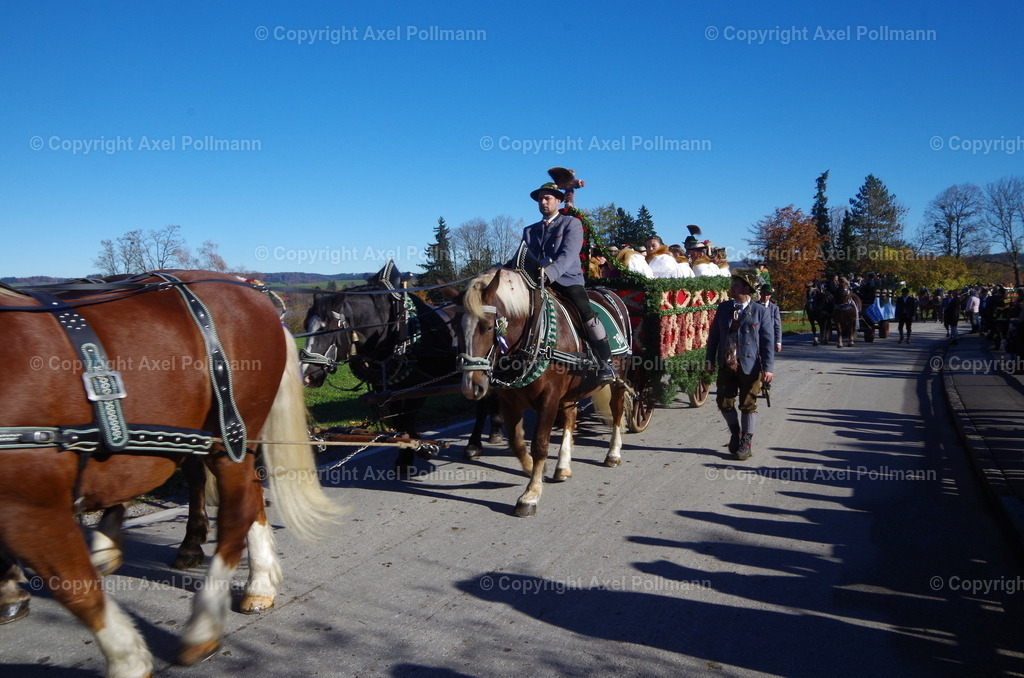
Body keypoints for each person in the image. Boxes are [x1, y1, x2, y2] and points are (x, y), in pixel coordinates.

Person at [519, 181, 616, 382]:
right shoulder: (530, 230)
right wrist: (500, 270)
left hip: (566, 279)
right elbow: (521, 256)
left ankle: (606, 362)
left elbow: (568, 255)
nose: (543, 202)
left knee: (584, 309)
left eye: (547, 198)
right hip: (536, 281)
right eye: (540, 199)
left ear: (558, 201)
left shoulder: (571, 223)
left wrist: (548, 273)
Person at [705, 268, 775, 461]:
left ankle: (746, 442)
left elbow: (768, 342)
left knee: (748, 405)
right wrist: (709, 359)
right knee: (724, 403)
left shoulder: (760, 311)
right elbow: (714, 337)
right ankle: (735, 432)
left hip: (750, 366)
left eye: (735, 285)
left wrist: (768, 368)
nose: (731, 288)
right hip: (726, 364)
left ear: (747, 287)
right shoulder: (724, 308)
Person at [758, 283, 783, 353]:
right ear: (760, 293)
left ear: (770, 296)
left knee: (768, 361)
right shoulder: (754, 306)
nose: (765, 297)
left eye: (768, 295)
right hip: (756, 340)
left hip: (769, 340)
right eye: (764, 294)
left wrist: (778, 342)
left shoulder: (774, 308)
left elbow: (777, 325)